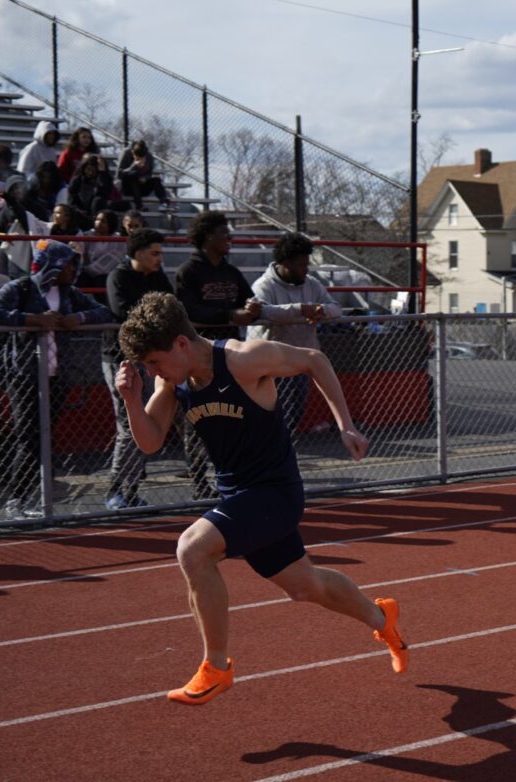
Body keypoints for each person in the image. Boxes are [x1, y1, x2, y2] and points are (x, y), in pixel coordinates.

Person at [114, 291, 407, 705]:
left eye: (154, 362)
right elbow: (149, 442)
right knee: (305, 586)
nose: (151, 371)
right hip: (238, 498)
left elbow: (314, 360)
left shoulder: (243, 359)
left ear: (180, 343)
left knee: (192, 549)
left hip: (275, 494)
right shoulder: (172, 382)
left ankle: (216, 667)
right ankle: (382, 617)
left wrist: (345, 424)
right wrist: (131, 400)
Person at [0, 240, 112, 520]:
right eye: (67, 265)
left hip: (58, 375)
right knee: (29, 438)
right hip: (24, 374)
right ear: (52, 265)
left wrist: (78, 317)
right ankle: (16, 500)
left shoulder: (69, 293)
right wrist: (33, 320)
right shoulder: (19, 288)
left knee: (44, 437)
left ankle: (36, 500)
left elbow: (104, 311)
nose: (73, 271)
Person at [175, 211, 260, 499]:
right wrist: (229, 315)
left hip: (229, 355)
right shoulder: (189, 271)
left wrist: (252, 308)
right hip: (199, 358)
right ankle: (200, 484)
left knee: (235, 418)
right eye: (223, 233)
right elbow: (189, 311)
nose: (229, 238)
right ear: (207, 237)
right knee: (198, 421)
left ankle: (234, 478)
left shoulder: (231, 272)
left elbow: (248, 299)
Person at [101, 228, 174, 510]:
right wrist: (156, 317)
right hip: (120, 359)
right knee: (127, 424)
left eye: (161, 253)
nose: (159, 258)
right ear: (138, 253)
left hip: (150, 359)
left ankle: (130, 489)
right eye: (154, 253)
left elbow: (171, 307)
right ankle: (115, 489)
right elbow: (124, 313)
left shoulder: (158, 278)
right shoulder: (118, 276)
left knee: (144, 422)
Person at [249, 232, 341, 431]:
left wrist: (320, 311)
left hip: (301, 358)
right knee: (271, 415)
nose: (305, 269)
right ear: (285, 263)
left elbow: (336, 308)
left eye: (307, 264)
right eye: (301, 264)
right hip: (270, 363)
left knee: (294, 413)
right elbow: (262, 311)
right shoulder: (263, 285)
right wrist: (300, 309)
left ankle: (284, 444)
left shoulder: (311, 283)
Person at [118, 139, 172, 211]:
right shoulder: (126, 153)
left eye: (142, 158)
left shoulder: (149, 156)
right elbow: (119, 174)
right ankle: (139, 206)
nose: (140, 160)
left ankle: (164, 203)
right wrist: (133, 166)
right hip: (128, 187)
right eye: (137, 158)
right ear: (132, 152)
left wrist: (145, 178)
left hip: (142, 187)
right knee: (133, 176)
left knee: (156, 180)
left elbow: (149, 173)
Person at [78, 209, 126, 290]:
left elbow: (112, 260)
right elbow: (78, 251)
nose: (98, 223)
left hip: (106, 273)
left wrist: (90, 269)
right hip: (85, 272)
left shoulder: (118, 240)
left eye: (103, 221)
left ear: (110, 224)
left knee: (101, 282)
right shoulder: (86, 235)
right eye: (97, 219)